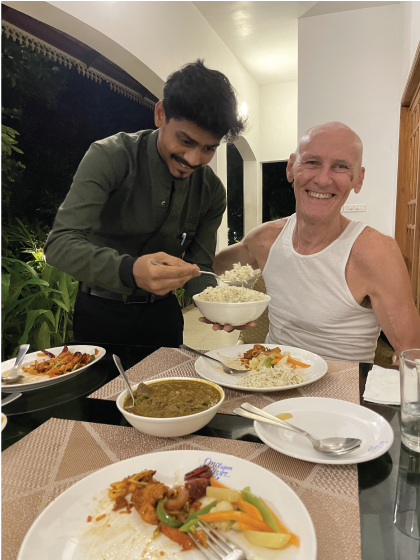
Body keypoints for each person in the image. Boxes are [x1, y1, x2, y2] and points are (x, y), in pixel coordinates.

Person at [44, 60, 246, 347]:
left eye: (208, 148)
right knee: (104, 394)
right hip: (99, 316)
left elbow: (198, 267)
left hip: (163, 317)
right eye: (185, 140)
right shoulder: (110, 157)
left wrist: (222, 307)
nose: (193, 159)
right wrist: (129, 270)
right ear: (161, 113)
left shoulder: (212, 192)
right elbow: (60, 245)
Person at [209, 122, 420, 362]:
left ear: (358, 180)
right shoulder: (266, 239)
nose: (322, 179)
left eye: (340, 167)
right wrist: (223, 308)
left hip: (341, 392)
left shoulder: (375, 252)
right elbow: (209, 265)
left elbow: (412, 353)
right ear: (291, 168)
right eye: (312, 162)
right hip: (269, 380)